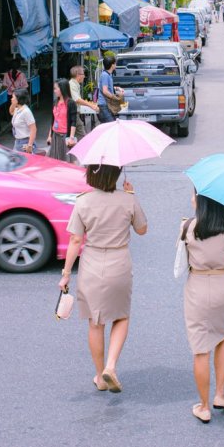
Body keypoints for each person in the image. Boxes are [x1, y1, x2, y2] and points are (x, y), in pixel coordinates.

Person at [58, 164, 148, 394]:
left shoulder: (83, 202)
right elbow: (142, 230)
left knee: (95, 323)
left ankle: (100, 376)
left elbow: (76, 241)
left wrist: (66, 274)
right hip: (119, 262)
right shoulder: (127, 200)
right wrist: (132, 195)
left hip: (92, 264)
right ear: (117, 175)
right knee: (121, 316)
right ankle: (111, 365)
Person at [181, 193, 224, 424]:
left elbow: (183, 257)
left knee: (200, 348)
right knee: (223, 337)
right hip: (223, 285)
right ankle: (221, 395)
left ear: (200, 199)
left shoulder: (188, 225)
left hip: (197, 286)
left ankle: (204, 407)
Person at [47, 79, 77, 162]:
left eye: (56, 88)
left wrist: (71, 138)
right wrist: (50, 136)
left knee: (67, 161)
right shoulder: (55, 102)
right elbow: (53, 120)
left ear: (62, 89)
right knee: (55, 160)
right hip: (55, 135)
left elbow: (73, 122)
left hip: (65, 137)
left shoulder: (71, 103)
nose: (54, 91)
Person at [70, 65, 99, 139]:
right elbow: (77, 99)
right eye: (83, 74)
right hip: (72, 114)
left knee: (75, 136)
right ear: (78, 75)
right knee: (82, 136)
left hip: (73, 113)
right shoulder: (72, 84)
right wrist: (91, 105)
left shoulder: (75, 84)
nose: (84, 76)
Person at [96, 55, 123, 124]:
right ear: (112, 65)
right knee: (111, 125)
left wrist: (117, 88)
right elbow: (105, 91)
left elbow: (107, 87)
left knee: (112, 125)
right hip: (103, 105)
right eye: (115, 63)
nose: (115, 64)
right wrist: (114, 98)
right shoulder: (105, 75)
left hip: (106, 105)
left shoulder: (109, 74)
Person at [9, 88, 37, 153]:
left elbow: (33, 129)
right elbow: (11, 111)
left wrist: (29, 145)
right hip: (17, 141)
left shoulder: (26, 111)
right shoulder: (18, 108)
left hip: (25, 142)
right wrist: (13, 104)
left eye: (13, 97)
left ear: (18, 99)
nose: (11, 99)